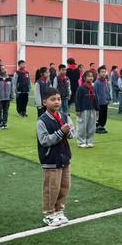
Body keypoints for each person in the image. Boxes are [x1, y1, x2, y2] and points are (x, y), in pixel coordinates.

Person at [36, 87, 75, 227]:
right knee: (52, 187)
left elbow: (72, 134)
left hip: (65, 157)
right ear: (45, 102)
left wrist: (69, 131)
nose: (57, 102)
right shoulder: (42, 120)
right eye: (53, 99)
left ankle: (59, 210)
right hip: (51, 159)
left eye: (58, 99)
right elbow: (44, 140)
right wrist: (61, 132)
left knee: (65, 186)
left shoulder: (65, 116)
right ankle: (49, 213)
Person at [75, 71, 99, 148]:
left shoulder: (93, 87)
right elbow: (77, 99)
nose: (91, 78)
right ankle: (81, 141)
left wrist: (97, 109)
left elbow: (96, 99)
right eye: (88, 76)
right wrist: (78, 109)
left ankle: (89, 141)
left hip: (92, 109)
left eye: (92, 76)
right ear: (85, 78)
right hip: (83, 109)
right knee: (82, 126)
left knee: (92, 126)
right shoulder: (81, 88)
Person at [0, 65, 15, 130]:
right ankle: (0, 123)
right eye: (3, 69)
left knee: (6, 111)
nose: (5, 70)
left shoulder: (9, 78)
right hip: (0, 98)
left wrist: (12, 95)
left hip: (7, 98)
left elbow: (12, 87)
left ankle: (5, 123)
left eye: (5, 68)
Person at [94, 65, 111, 134]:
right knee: (99, 116)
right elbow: (95, 93)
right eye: (102, 72)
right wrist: (96, 103)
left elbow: (107, 90)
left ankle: (102, 126)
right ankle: (98, 127)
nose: (104, 73)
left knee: (104, 116)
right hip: (99, 103)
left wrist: (109, 98)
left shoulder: (105, 81)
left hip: (105, 102)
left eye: (105, 72)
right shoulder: (97, 83)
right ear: (99, 73)